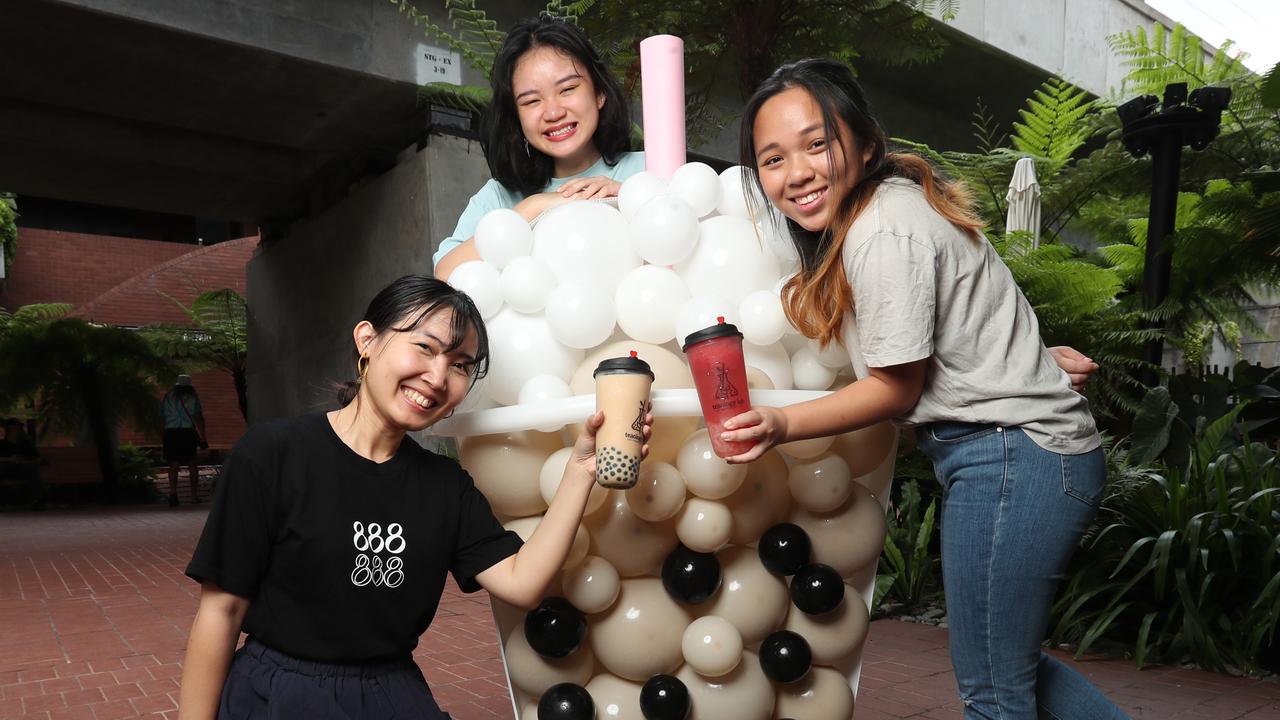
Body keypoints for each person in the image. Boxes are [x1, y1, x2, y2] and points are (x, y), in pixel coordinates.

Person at [721, 59, 1125, 720]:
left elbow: (897, 388)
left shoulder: (882, 230)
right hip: (1016, 453)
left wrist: (780, 423)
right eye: (772, 159)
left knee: (995, 692)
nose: (796, 172)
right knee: (1005, 666)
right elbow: (959, 317)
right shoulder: (882, 214)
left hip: (1011, 458)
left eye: (816, 144)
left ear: (867, 144)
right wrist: (1025, 357)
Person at [177, 275, 648, 720]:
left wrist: (580, 472)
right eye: (424, 347)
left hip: (389, 694)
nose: (439, 378)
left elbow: (522, 583)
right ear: (367, 340)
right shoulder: (273, 454)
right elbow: (222, 611)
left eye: (460, 365)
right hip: (279, 693)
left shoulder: (445, 484)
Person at [433, 15, 644, 280]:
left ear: (599, 92)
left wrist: (632, 199)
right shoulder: (498, 198)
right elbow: (445, 275)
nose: (554, 112)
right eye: (532, 101)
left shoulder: (648, 168)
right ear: (517, 118)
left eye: (567, 89)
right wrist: (533, 208)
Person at [162, 375, 207, 507]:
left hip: (171, 433)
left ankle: (173, 493)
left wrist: (163, 435)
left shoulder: (168, 397)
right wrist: (203, 437)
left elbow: (162, 417)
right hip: (188, 432)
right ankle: (193, 496)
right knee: (192, 463)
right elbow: (198, 418)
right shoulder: (193, 398)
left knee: (173, 463)